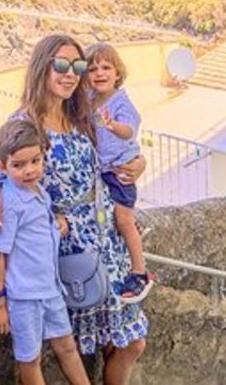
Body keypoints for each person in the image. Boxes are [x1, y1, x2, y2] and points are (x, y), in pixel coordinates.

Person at [0, 34, 148, 385]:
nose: (70, 74)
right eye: (61, 64)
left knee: (131, 342)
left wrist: (140, 162)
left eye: (77, 65)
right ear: (43, 68)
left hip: (107, 239)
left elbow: (117, 149)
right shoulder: (27, 122)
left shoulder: (81, 113)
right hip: (72, 247)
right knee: (90, 346)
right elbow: (2, 166)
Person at [0, 118, 89, 385]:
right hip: (24, 296)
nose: (29, 170)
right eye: (18, 165)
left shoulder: (39, 191)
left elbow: (37, 231)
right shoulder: (9, 202)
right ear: (2, 167)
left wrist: (58, 227)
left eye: (35, 161)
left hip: (51, 289)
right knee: (30, 360)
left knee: (67, 347)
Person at [84, 43, 153, 304]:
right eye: (92, 69)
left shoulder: (120, 102)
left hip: (119, 171)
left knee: (123, 220)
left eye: (105, 67)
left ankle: (139, 272)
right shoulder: (89, 101)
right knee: (112, 220)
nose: (99, 73)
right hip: (103, 171)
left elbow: (130, 130)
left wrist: (113, 126)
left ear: (117, 73)